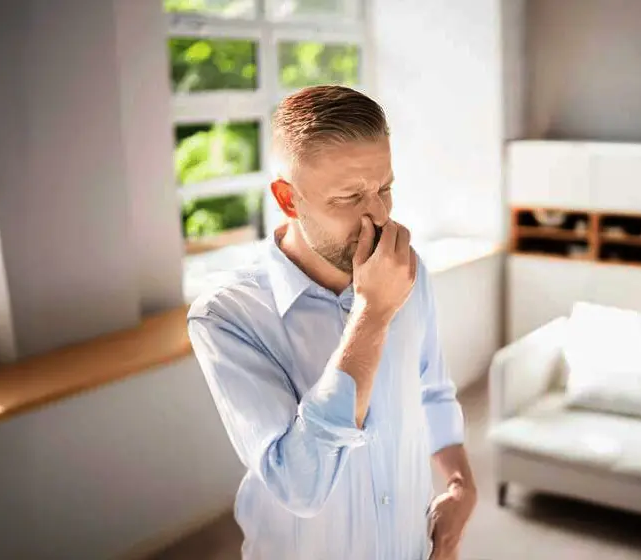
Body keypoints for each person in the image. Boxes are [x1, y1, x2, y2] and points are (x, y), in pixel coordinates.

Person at [187, 85, 477, 560]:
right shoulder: (225, 317)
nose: (380, 215)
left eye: (385, 188)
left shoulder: (409, 268)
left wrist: (461, 484)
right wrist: (372, 315)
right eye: (350, 197)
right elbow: (299, 485)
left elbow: (432, 390)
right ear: (287, 198)